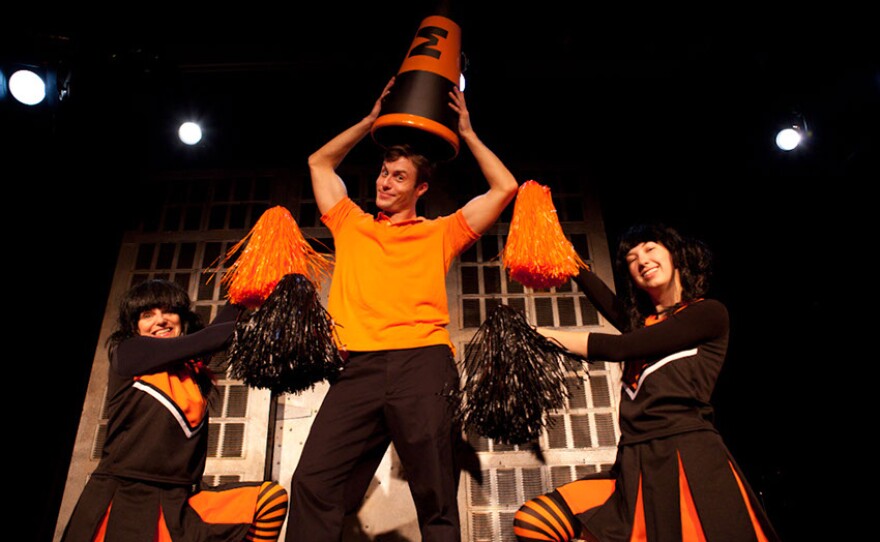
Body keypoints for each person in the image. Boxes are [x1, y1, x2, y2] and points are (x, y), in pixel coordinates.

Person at [285, 77, 519, 542]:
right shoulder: (351, 223)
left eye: (398, 177)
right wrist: (371, 121)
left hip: (423, 363)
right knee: (313, 481)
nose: (384, 182)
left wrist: (468, 133)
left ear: (421, 188)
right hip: (359, 369)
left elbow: (504, 187)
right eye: (383, 173)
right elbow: (320, 161)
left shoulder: (441, 232)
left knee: (434, 495)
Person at [513, 224, 780, 541]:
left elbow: (620, 348)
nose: (641, 259)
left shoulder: (708, 313)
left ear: (676, 255)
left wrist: (539, 335)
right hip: (633, 462)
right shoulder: (640, 325)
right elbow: (611, 306)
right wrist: (566, 256)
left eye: (651, 248)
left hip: (687, 455)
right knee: (534, 521)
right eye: (631, 258)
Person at [61, 279, 289, 542]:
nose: (160, 320)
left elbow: (215, 333)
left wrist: (249, 286)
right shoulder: (129, 353)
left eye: (169, 311)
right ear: (134, 326)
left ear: (182, 319)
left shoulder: (190, 369)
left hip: (179, 501)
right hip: (125, 496)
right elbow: (216, 337)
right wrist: (243, 295)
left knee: (269, 500)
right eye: (148, 315)